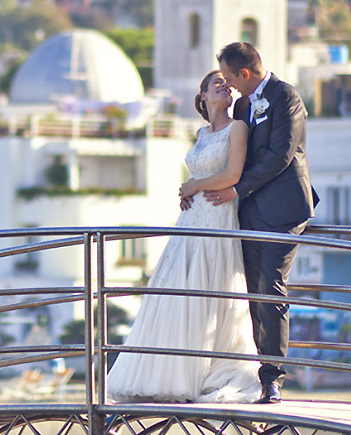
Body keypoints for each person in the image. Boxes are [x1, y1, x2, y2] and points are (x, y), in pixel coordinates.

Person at [105, 69, 261, 403]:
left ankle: (205, 370)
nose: (223, 86)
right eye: (215, 84)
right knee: (179, 290)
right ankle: (170, 370)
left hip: (218, 214)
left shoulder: (239, 128)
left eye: (225, 83)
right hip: (191, 218)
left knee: (210, 288)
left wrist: (194, 185)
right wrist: (189, 190)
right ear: (203, 96)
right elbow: (203, 170)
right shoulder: (202, 133)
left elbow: (232, 175)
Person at [200, 42, 319, 404]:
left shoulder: (286, 96)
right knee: (252, 292)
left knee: (271, 289)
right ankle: (253, 371)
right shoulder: (242, 105)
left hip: (284, 210)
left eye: (231, 78)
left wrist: (236, 188)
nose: (230, 85)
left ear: (245, 74)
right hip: (248, 213)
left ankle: (273, 379)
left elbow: (280, 155)